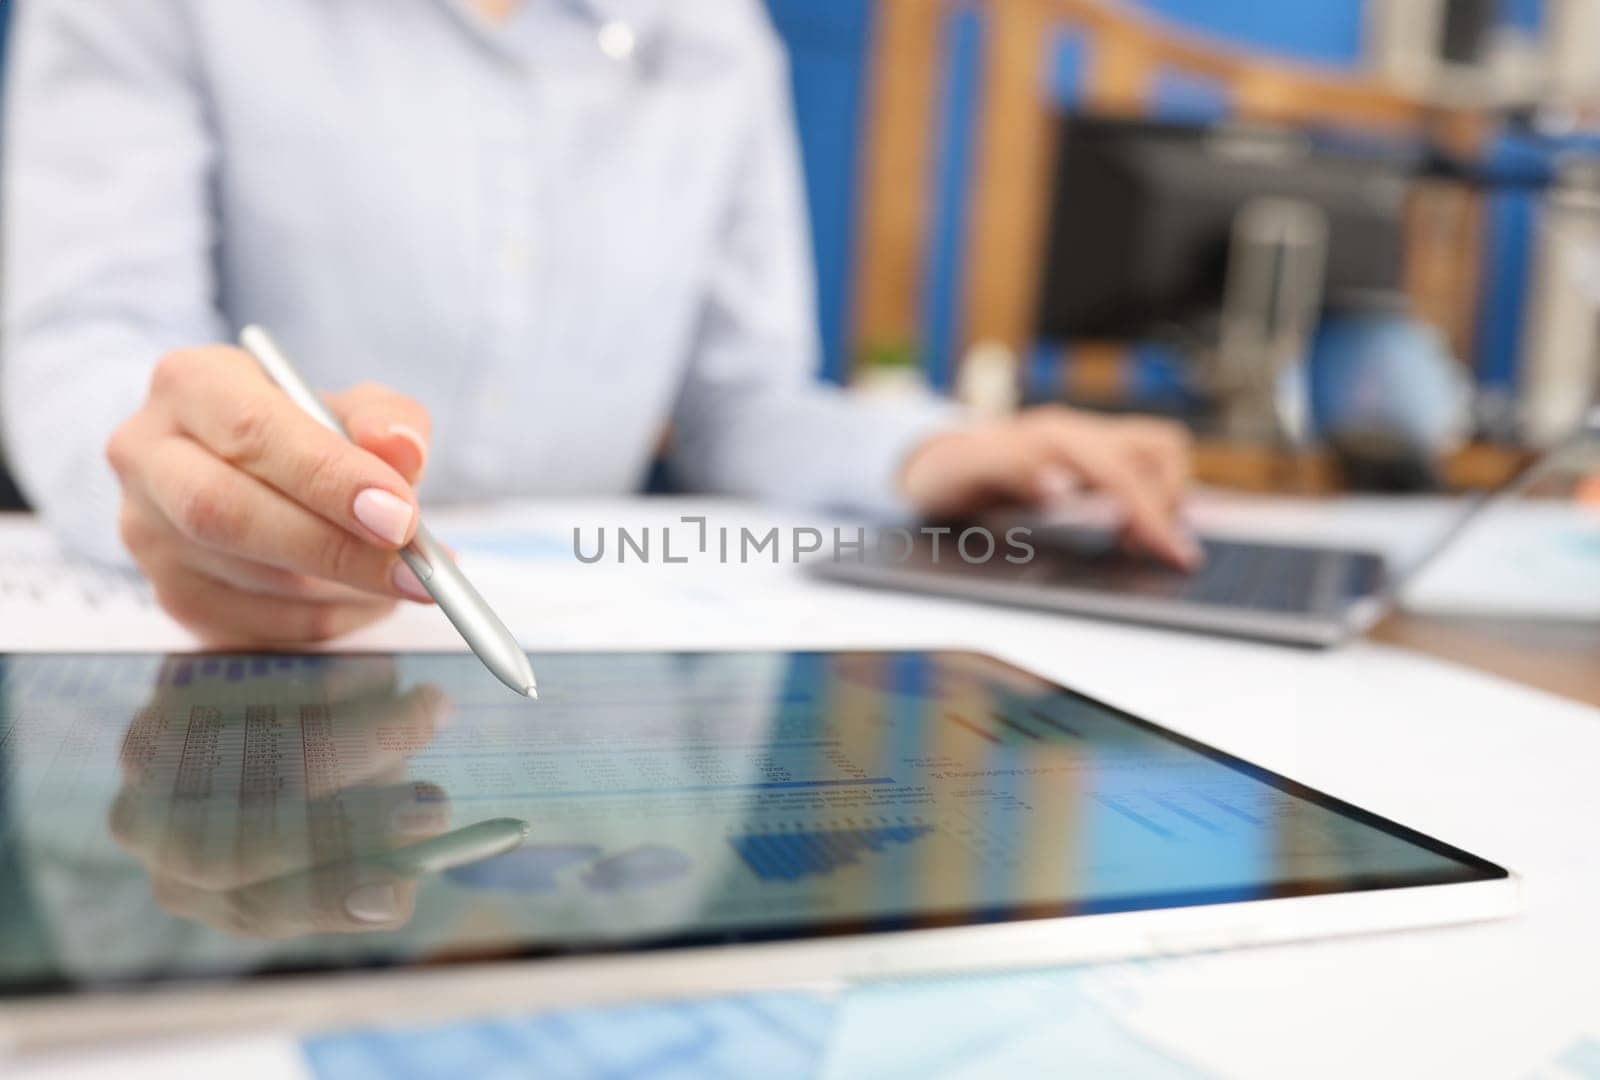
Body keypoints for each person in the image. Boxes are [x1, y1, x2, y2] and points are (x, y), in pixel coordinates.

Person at [1, 0, 1198, 647]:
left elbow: (740, 399)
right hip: (217, 655)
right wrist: (194, 485)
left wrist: (926, 454)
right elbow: (89, 334)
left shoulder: (717, 34)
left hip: (604, 716)